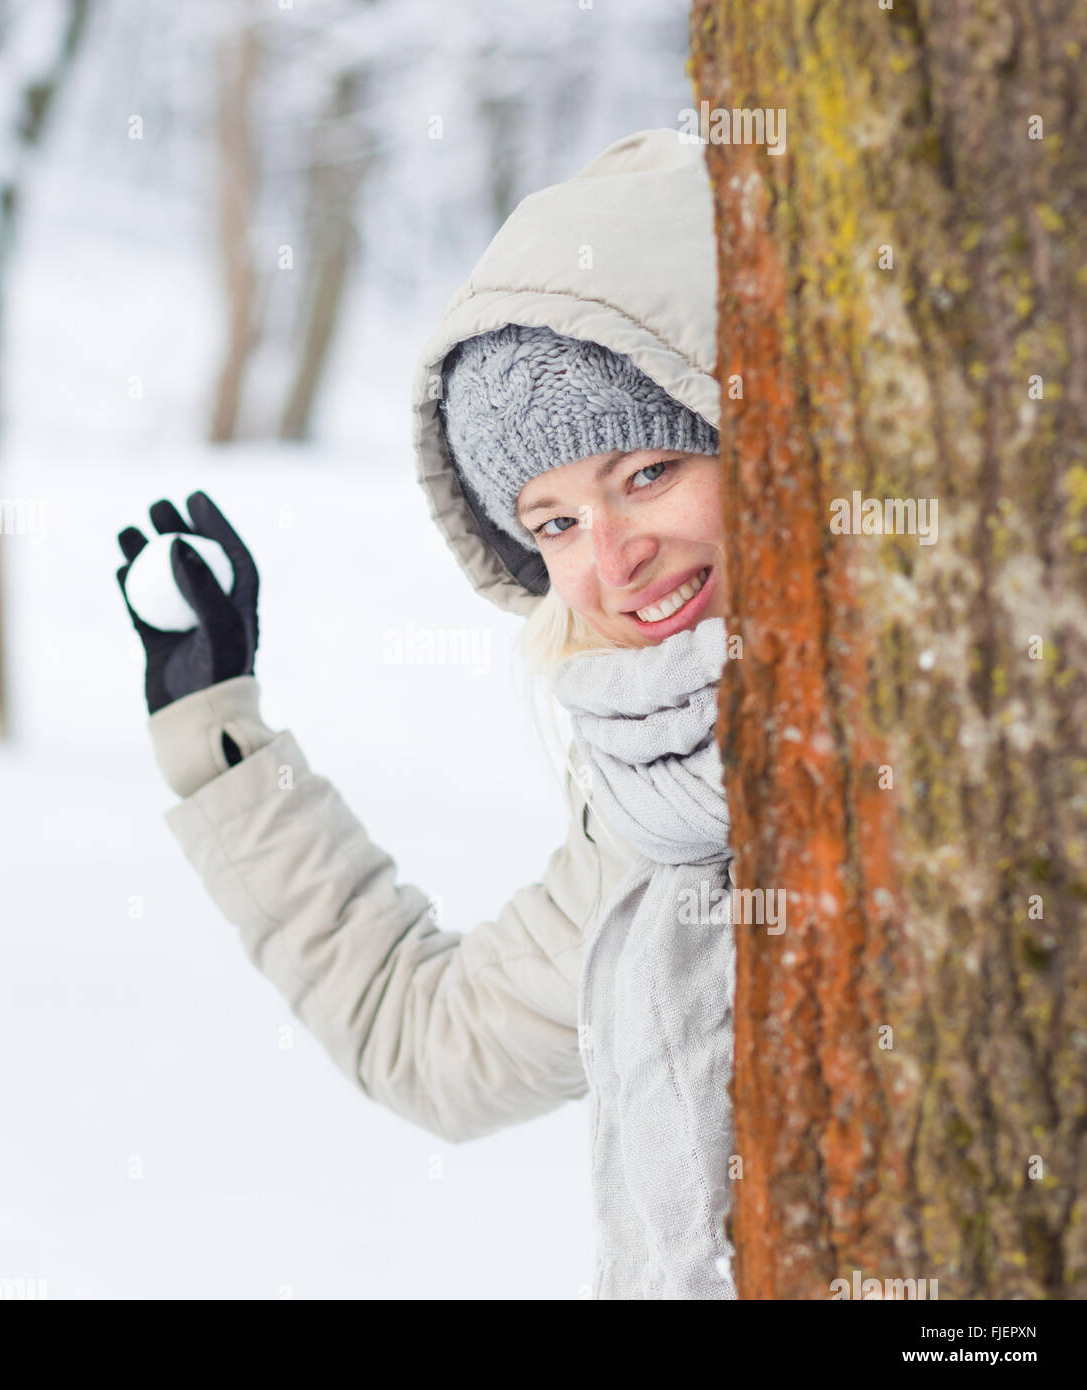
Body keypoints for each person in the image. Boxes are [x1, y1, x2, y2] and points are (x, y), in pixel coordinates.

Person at [116, 128, 738, 1300]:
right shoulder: (644, 814)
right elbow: (432, 1042)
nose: (613, 555)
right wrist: (220, 741)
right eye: (551, 521)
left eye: (646, 472)